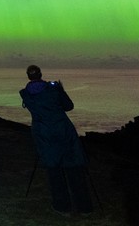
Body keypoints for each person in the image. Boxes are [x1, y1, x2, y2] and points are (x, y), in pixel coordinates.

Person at [19, 64, 93, 216]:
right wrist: (60, 89)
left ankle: (62, 207)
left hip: (44, 135)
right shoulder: (53, 89)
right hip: (64, 132)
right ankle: (84, 207)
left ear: (28, 77)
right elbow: (68, 106)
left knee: (54, 170)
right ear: (40, 74)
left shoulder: (25, 94)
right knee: (74, 168)